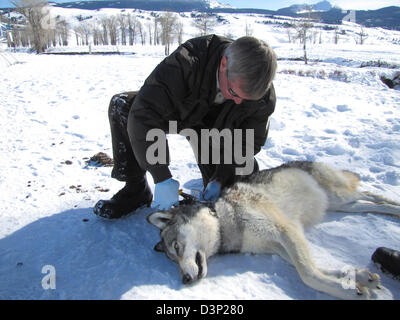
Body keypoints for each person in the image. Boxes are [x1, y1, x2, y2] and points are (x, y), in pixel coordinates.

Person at [93, 34, 277, 219]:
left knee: (232, 197)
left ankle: (218, 185)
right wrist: (161, 177)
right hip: (177, 114)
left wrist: (221, 177)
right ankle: (136, 189)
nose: (238, 102)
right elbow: (145, 113)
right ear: (223, 64)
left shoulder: (261, 95)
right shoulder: (187, 61)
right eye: (233, 92)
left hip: (215, 132)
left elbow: (245, 145)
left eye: (245, 99)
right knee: (123, 106)